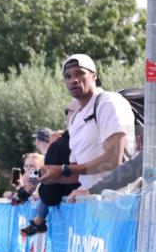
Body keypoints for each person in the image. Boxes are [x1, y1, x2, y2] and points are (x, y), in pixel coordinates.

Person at [33, 55, 136, 193]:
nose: (73, 80)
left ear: (94, 76)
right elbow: (78, 173)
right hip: (90, 200)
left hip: (119, 199)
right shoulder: (76, 118)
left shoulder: (108, 102)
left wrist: (64, 169)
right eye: (68, 76)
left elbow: (113, 159)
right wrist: (52, 175)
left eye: (80, 73)